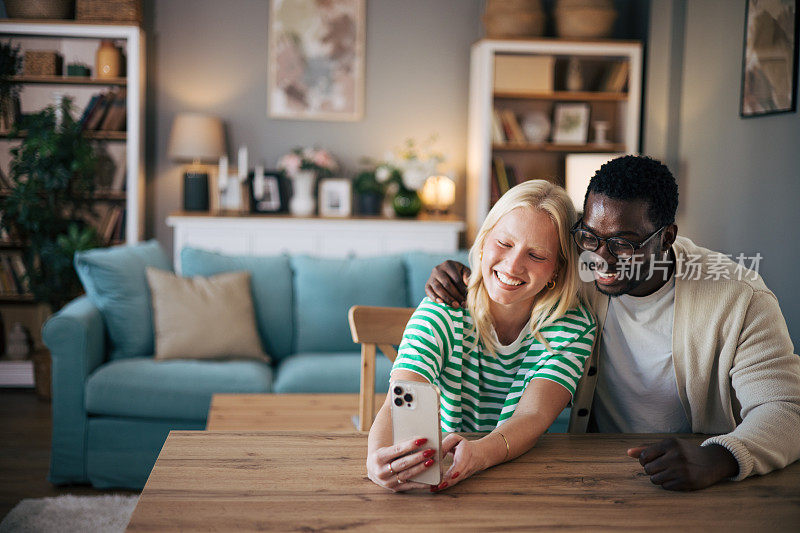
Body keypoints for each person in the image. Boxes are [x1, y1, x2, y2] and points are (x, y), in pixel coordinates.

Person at [427, 155, 800, 491]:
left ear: (666, 237)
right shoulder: (576, 266)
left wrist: (719, 456)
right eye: (590, 236)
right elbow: (512, 262)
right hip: (585, 469)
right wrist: (462, 273)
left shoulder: (739, 297)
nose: (600, 260)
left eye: (623, 243)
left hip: (696, 476)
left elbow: (785, 410)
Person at [366, 180, 596, 492]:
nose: (513, 265)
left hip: (537, 475)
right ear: (485, 240)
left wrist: (481, 453)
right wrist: (377, 457)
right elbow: (404, 393)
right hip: (449, 466)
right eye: (505, 244)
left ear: (557, 269)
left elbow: (534, 414)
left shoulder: (573, 325)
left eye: (537, 255)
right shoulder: (443, 310)